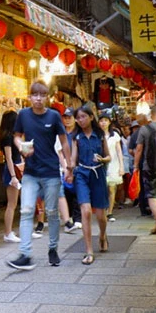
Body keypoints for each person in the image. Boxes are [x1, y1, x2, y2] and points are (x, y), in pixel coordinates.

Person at [7, 81, 71, 270]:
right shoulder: (23, 115)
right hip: (30, 173)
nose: (38, 99)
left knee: (52, 212)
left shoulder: (54, 115)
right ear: (29, 97)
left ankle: (53, 249)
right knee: (26, 211)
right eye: (35, 95)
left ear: (48, 97)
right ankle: (25, 255)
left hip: (51, 171)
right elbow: (16, 135)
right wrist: (20, 146)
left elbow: (64, 142)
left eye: (42, 95)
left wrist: (69, 167)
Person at [70, 106, 110, 265]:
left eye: (83, 117)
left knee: (101, 215)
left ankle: (102, 235)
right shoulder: (76, 137)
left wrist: (102, 159)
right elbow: (73, 158)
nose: (80, 120)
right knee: (85, 211)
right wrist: (70, 170)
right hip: (82, 174)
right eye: (78, 118)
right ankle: (89, 251)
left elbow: (109, 156)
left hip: (98, 174)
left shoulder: (100, 135)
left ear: (91, 117)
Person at [133, 105, 156, 234]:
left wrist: (135, 166)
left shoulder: (144, 129)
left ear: (151, 115)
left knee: (151, 195)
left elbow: (139, 149)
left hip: (149, 166)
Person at [0, 111, 23, 243]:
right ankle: (7, 233)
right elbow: (8, 158)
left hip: (14, 170)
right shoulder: (8, 137)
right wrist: (13, 176)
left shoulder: (9, 136)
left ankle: (9, 232)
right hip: (12, 171)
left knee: (14, 203)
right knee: (12, 203)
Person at [57, 108, 82, 233]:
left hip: (78, 166)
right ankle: (70, 217)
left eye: (69, 117)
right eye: (65, 117)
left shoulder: (78, 133)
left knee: (78, 191)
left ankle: (78, 218)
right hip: (63, 167)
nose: (67, 120)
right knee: (66, 192)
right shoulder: (60, 133)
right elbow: (59, 150)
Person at [98, 114, 124, 222]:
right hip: (100, 164)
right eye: (101, 121)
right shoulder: (96, 135)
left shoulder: (115, 135)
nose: (103, 123)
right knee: (102, 188)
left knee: (112, 188)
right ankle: (103, 209)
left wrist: (121, 166)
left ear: (109, 122)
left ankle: (110, 212)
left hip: (113, 164)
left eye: (105, 120)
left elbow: (119, 151)